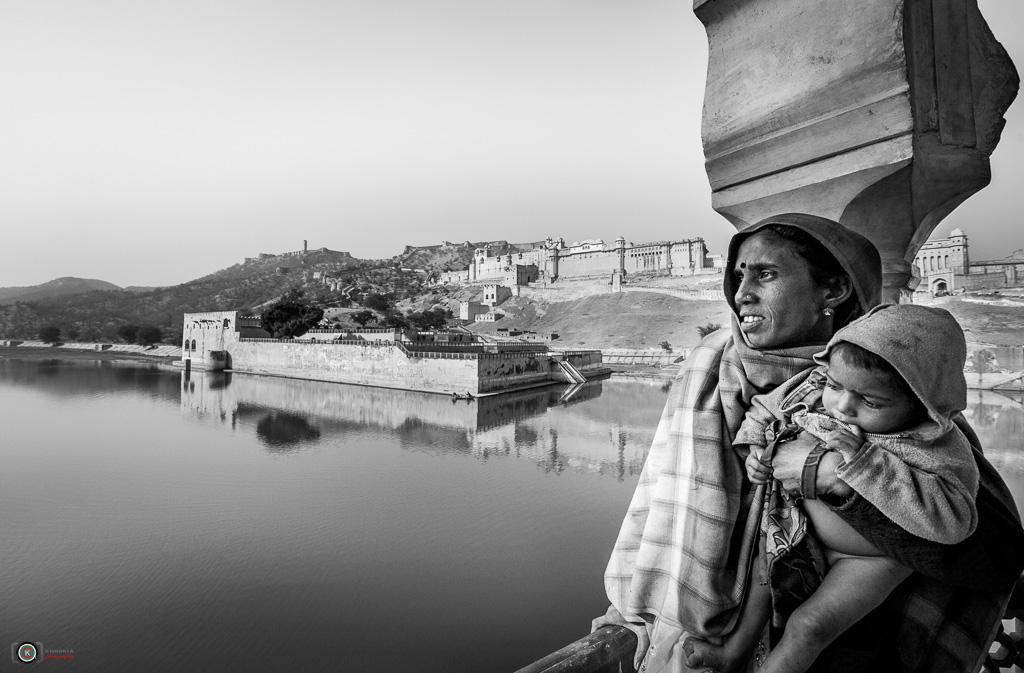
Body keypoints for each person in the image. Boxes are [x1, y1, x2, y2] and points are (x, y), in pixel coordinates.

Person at [593, 213, 1024, 673]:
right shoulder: (709, 368)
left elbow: (995, 558)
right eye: (739, 275)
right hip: (705, 633)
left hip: (851, 650)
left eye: (766, 274)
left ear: (833, 290)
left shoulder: (910, 394)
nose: (742, 293)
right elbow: (660, 511)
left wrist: (832, 479)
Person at [682, 304, 979, 673]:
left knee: (809, 627)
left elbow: (953, 521)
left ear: (923, 403)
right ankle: (733, 652)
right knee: (761, 579)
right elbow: (765, 409)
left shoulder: (932, 444)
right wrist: (755, 449)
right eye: (835, 386)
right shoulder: (814, 386)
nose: (842, 407)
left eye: (871, 402)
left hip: (868, 561)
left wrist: (863, 462)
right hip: (793, 532)